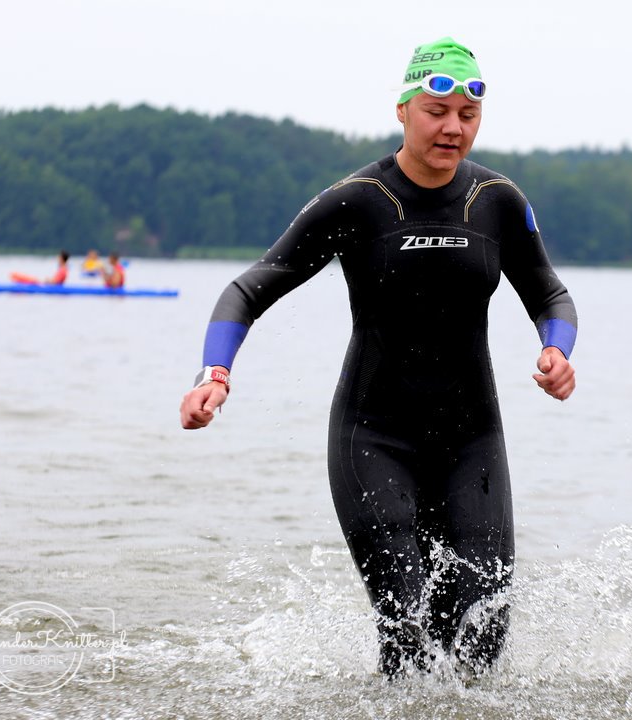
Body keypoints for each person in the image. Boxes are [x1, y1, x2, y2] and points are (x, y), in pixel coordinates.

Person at [179, 37, 577, 677]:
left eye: (468, 115)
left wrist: (555, 348)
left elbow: (550, 294)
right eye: (436, 111)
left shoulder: (497, 201)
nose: (452, 128)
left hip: (472, 440)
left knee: (482, 637)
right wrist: (214, 374)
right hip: (373, 438)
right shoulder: (357, 200)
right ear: (403, 110)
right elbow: (249, 289)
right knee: (409, 635)